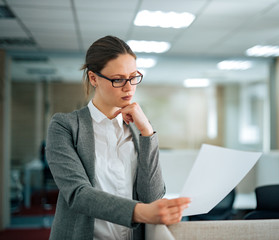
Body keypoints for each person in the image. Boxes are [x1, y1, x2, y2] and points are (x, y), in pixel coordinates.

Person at [45, 35, 191, 240]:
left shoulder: (138, 129)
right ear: (94, 78)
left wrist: (147, 132)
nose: (129, 87)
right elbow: (78, 194)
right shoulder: (65, 126)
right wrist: (140, 212)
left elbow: (152, 197)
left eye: (133, 77)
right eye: (118, 79)